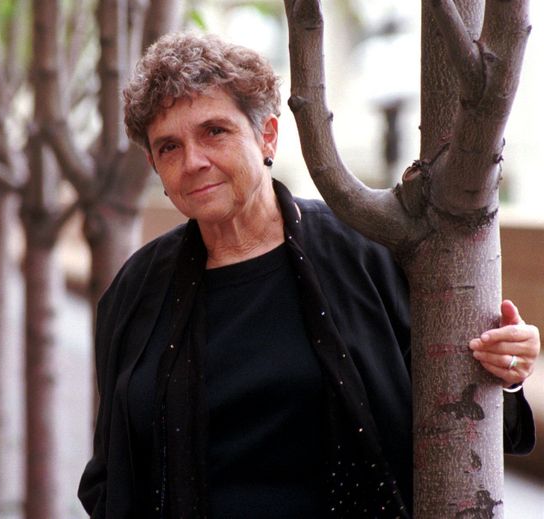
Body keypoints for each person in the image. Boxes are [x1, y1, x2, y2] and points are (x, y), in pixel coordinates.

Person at [78, 32, 539, 519]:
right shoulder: (136, 290)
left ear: (267, 136)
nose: (194, 161)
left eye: (215, 131)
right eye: (169, 147)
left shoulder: (368, 253)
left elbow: (473, 424)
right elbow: (112, 470)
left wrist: (505, 369)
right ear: (154, 166)